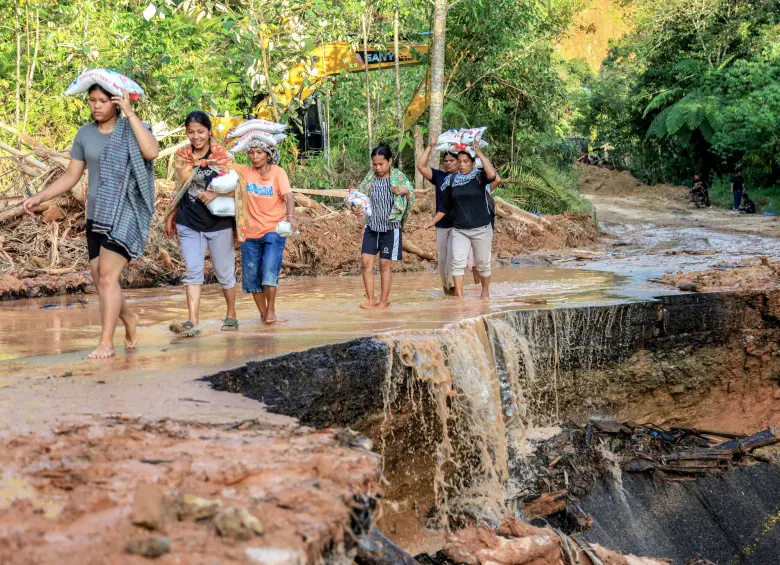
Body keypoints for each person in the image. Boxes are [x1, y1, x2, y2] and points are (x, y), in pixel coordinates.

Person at [23, 84, 158, 359]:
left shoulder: (133, 128)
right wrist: (40, 197)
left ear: (116, 102)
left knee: (108, 276)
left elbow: (152, 152)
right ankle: (129, 318)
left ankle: (106, 342)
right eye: (92, 100)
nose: (96, 105)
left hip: (125, 214)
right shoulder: (84, 134)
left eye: (103, 101)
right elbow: (71, 176)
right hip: (96, 214)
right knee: (100, 279)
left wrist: (130, 115)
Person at [164, 111, 238, 336]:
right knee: (193, 270)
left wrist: (215, 195)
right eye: (190, 132)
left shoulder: (222, 156)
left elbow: (237, 187)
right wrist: (170, 216)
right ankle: (192, 321)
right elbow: (179, 188)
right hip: (189, 221)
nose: (195, 137)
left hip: (219, 222)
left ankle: (231, 314)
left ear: (209, 132)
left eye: (200, 132)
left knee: (224, 272)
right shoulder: (182, 155)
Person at [233, 138, 297, 324]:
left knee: (269, 271)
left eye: (259, 152)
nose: (254, 156)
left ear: (268, 155)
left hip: (273, 230)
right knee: (252, 278)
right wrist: (228, 140)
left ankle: (271, 310)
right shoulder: (244, 172)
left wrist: (291, 216)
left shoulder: (278, 173)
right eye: (251, 152)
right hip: (249, 234)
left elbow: (288, 196)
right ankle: (263, 315)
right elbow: (225, 162)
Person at [426, 142, 497, 299]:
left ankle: (485, 293)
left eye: (466, 162)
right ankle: (459, 298)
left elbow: (492, 176)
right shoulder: (452, 181)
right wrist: (433, 221)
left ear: (472, 163)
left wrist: (479, 152)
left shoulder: (479, 177)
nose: (462, 165)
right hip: (460, 230)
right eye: (460, 162)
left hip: (482, 229)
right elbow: (445, 206)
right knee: (457, 264)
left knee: (482, 264)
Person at [352, 142, 415, 309]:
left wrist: (405, 191)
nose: (377, 167)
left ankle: (384, 301)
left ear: (389, 161)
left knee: (385, 265)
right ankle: (371, 298)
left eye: (381, 164)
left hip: (390, 228)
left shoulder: (399, 178)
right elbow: (360, 198)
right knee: (366, 263)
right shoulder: (370, 177)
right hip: (372, 226)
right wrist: (355, 207)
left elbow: (411, 196)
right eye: (375, 164)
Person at [416, 145, 459, 295]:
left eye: (451, 160)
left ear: (458, 162)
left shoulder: (464, 178)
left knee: (451, 261)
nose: (448, 163)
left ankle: (456, 290)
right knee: (442, 261)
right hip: (441, 224)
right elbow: (421, 166)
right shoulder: (439, 176)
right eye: (445, 160)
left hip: (458, 225)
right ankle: (447, 291)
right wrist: (430, 146)